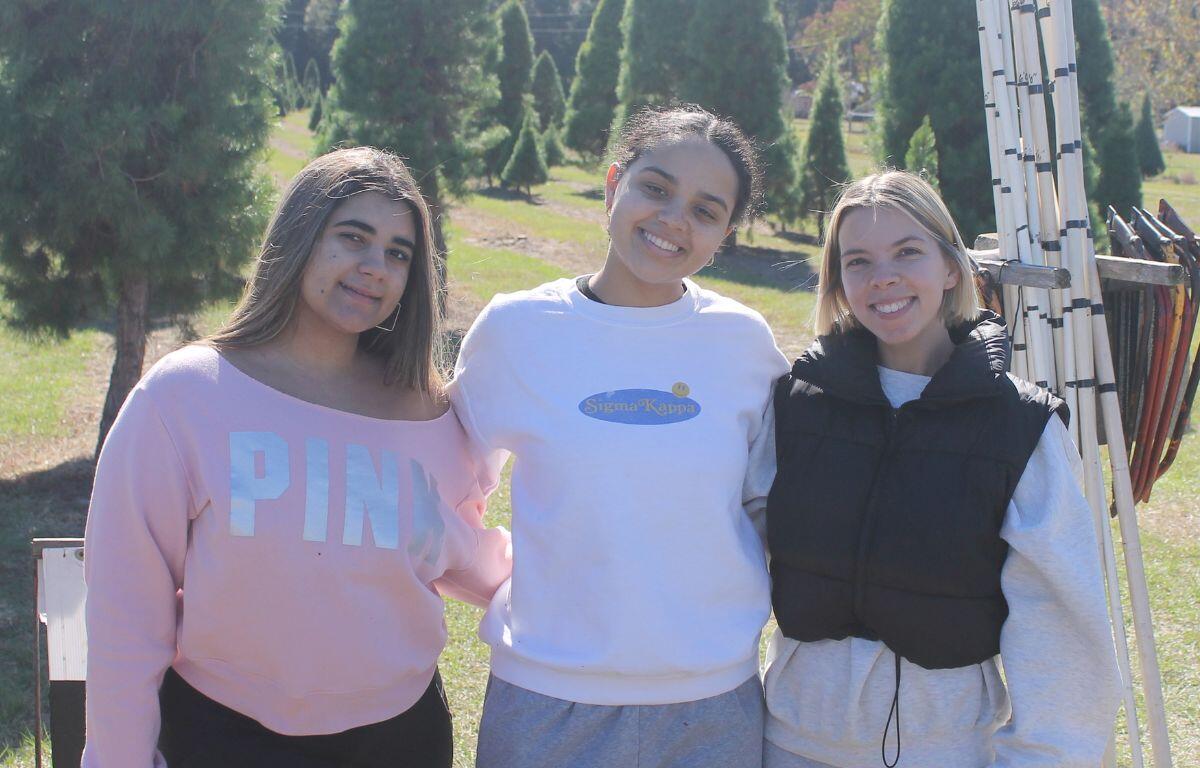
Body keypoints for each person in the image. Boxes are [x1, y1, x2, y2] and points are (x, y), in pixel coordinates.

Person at [82, 147, 511, 768]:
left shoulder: (430, 416)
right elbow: (127, 610)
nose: (376, 267)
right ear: (299, 237)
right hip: (223, 738)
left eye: (398, 252)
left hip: (400, 741)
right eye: (353, 238)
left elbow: (462, 554)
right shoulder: (185, 397)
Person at [448, 105, 788, 768]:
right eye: (655, 189)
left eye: (705, 209)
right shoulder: (517, 331)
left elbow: (774, 512)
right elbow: (443, 491)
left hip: (712, 709)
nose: (671, 220)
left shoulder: (745, 345)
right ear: (613, 184)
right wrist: (513, 585)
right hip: (546, 702)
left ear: (723, 233)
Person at [763, 170, 1120, 768]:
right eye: (858, 261)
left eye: (908, 252)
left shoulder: (1019, 426)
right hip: (791, 743)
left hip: (946, 749)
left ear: (952, 267)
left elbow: (1058, 623)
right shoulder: (797, 405)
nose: (884, 277)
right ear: (837, 281)